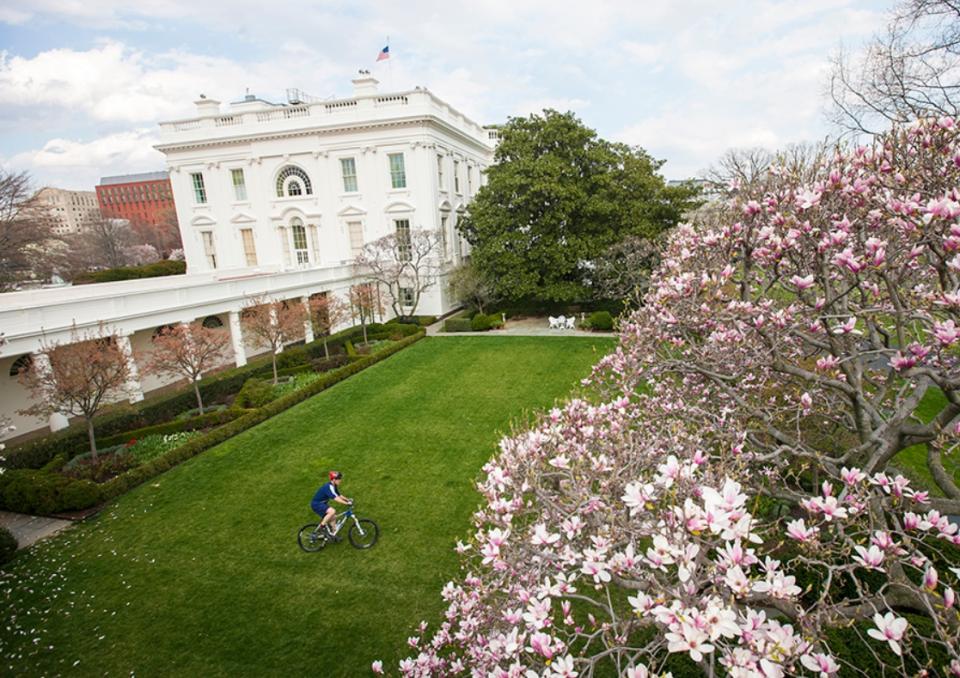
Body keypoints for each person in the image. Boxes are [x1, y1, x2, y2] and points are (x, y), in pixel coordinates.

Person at [311, 471, 352, 539]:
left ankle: (333, 534)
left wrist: (348, 499)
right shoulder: (328, 487)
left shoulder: (334, 486)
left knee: (333, 517)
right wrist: (347, 503)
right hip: (317, 504)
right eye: (339, 479)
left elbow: (339, 495)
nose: (340, 480)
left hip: (321, 504)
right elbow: (336, 498)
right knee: (332, 511)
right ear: (333, 480)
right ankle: (322, 526)